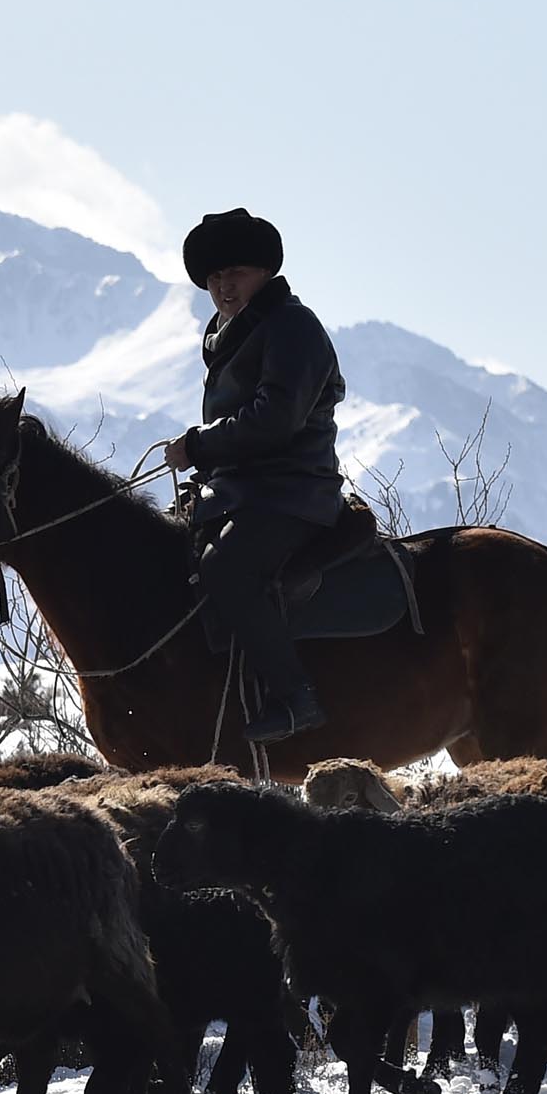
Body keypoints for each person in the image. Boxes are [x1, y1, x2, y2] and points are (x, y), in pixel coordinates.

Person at [161, 208, 345, 744]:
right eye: (214, 277)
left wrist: (198, 445)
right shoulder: (228, 333)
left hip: (292, 494)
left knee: (227, 571)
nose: (224, 285)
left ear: (264, 272)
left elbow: (276, 419)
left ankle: (296, 698)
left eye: (235, 273)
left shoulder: (291, 326)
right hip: (243, 494)